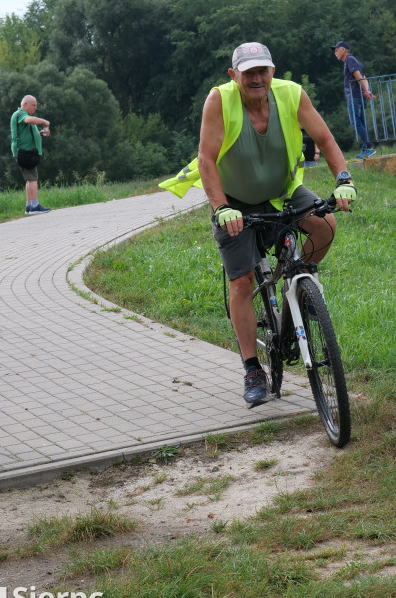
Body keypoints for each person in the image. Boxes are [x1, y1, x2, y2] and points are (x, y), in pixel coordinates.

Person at [160, 41, 358, 408]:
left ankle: (301, 281)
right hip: (233, 202)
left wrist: (343, 178)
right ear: (234, 75)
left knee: (325, 224)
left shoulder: (291, 95)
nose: (256, 78)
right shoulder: (219, 101)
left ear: (272, 71)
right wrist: (220, 208)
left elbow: (325, 138)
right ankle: (253, 368)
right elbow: (205, 159)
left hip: (282, 191)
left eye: (262, 71)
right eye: (248, 72)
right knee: (241, 282)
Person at [330, 40, 376, 159]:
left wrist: (365, 91)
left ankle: (369, 147)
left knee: (355, 122)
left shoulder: (350, 59)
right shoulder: (353, 60)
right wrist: (367, 90)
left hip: (354, 96)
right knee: (360, 122)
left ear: (343, 50)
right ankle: (366, 149)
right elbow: (364, 77)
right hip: (358, 96)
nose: (335, 53)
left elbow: (358, 75)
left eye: (336, 50)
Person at [9, 95, 52, 215]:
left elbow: (27, 133)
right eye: (34, 105)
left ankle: (29, 206)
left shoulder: (24, 116)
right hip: (25, 151)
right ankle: (34, 206)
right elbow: (29, 120)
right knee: (33, 179)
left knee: (29, 178)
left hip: (26, 151)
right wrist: (44, 122)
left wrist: (41, 133)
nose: (35, 108)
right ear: (25, 104)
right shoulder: (21, 114)